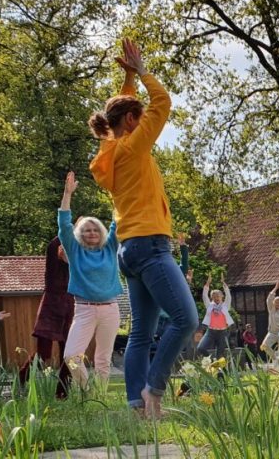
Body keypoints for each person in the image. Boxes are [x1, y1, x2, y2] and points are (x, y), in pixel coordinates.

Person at [89, 39, 199, 417]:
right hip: (150, 246)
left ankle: (137, 406)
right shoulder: (134, 147)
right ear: (133, 123)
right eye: (136, 117)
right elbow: (163, 102)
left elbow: (116, 117)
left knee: (140, 333)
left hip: (128, 250)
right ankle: (154, 389)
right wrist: (142, 71)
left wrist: (127, 80)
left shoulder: (110, 152)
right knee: (186, 319)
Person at [57, 172, 122, 389]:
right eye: (87, 230)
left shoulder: (110, 247)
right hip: (84, 309)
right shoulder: (74, 250)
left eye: (95, 229)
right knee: (72, 356)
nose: (92, 233)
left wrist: (115, 191)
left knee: (103, 360)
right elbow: (64, 224)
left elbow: (117, 221)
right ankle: (86, 392)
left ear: (101, 232)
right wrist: (67, 194)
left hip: (110, 309)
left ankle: (100, 398)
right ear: (80, 234)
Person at [18, 237, 74, 398]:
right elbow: (53, 246)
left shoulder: (76, 264)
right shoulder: (53, 264)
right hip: (50, 309)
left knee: (68, 354)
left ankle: (62, 392)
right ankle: (21, 381)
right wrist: (67, 228)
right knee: (43, 355)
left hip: (68, 310)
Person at [197, 274, 234, 360]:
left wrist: (223, 283)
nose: (216, 298)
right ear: (212, 298)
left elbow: (229, 296)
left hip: (222, 333)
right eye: (214, 296)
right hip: (210, 332)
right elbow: (204, 296)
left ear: (222, 297)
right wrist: (208, 283)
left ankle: (220, 371)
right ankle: (209, 360)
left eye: (218, 296)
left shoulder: (225, 306)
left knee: (220, 355)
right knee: (201, 348)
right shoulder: (209, 306)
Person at [260, 283, 279, 371]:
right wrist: (275, 289)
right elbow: (268, 299)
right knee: (264, 346)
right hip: (272, 332)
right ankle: (274, 357)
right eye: (276, 302)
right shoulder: (271, 309)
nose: (277, 304)